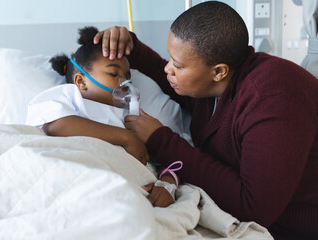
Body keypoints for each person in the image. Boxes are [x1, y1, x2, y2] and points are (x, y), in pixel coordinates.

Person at [93, 1, 318, 240]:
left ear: (218, 71)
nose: (169, 69)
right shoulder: (217, 80)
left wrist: (161, 140)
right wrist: (131, 47)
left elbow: (254, 208)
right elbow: (175, 77)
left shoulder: (273, 100)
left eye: (177, 65)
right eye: (170, 58)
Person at [26, 26, 181, 208]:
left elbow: (166, 159)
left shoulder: (132, 116)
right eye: (113, 74)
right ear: (81, 81)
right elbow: (57, 126)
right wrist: (126, 137)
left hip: (122, 186)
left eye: (127, 77)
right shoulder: (68, 98)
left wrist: (168, 183)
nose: (124, 83)